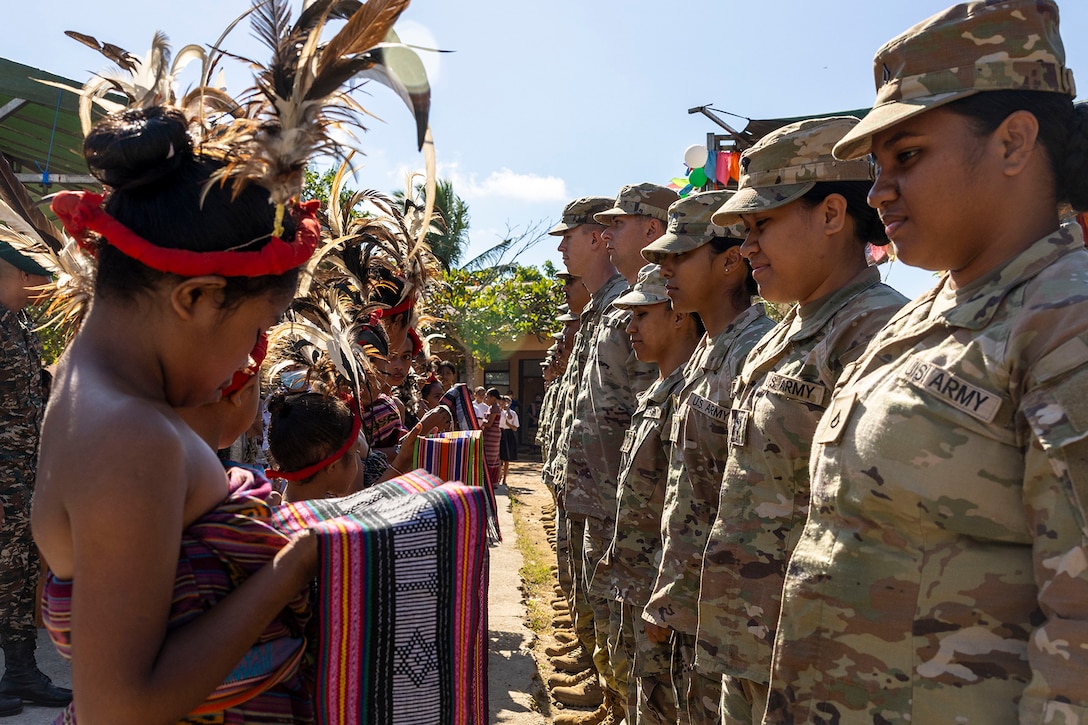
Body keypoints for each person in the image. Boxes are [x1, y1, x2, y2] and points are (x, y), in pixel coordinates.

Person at [765, 1, 1088, 723]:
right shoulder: (925, 309)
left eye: (907, 157)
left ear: (1013, 142)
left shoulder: (1066, 321)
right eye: (876, 166)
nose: (877, 193)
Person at [31, 106, 321, 722]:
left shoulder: (96, 396)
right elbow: (120, 708)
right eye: (257, 329)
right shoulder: (127, 436)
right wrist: (294, 565)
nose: (249, 358)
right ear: (196, 296)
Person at [698, 117, 907, 724]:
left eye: (762, 224)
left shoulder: (874, 331)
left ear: (833, 214)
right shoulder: (784, 333)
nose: (747, 246)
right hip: (753, 635)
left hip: (821, 660)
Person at [639, 190, 775, 725]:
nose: (665, 268)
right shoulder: (711, 350)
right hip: (695, 600)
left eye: (679, 256)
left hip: (731, 611)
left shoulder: (753, 350)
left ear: (729, 260)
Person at [602, 264, 703, 725]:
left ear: (679, 316)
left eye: (642, 314)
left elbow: (691, 509)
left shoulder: (691, 394)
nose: (630, 326)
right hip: (643, 580)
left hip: (667, 593)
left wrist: (664, 601)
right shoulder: (661, 390)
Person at [0, 243, 70, 716]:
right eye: (36, 275)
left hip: (25, 473)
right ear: (13, 273)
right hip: (3, 479)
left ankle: (21, 672)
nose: (44, 286)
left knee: (21, 577)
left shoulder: (20, 326)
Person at [480, 388, 503, 486]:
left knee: (492, 458)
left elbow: (489, 423)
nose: (486, 399)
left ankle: (493, 481)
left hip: (493, 435)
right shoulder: (491, 407)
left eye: (487, 397)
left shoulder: (495, 408)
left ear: (493, 398)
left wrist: (479, 420)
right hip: (488, 434)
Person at [498, 395, 519, 484]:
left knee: (507, 458)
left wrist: (507, 423)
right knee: (499, 459)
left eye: (508, 401)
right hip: (500, 432)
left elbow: (515, 428)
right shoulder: (499, 412)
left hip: (509, 434)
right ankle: (499, 476)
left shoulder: (513, 413)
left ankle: (505, 478)